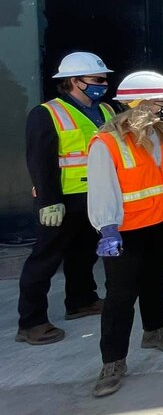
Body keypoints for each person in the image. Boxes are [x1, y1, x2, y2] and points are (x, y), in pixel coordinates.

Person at [87, 71, 163, 398]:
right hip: (125, 230)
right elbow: (102, 189)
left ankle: (155, 330)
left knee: (155, 278)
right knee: (120, 294)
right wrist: (107, 228)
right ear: (136, 104)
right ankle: (112, 361)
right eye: (159, 102)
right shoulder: (107, 142)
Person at [17, 52, 114, 345]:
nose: (103, 84)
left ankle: (81, 300)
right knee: (45, 259)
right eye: (97, 80)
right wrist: (49, 200)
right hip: (62, 200)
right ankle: (31, 323)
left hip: (94, 197)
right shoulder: (47, 113)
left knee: (83, 254)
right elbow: (39, 161)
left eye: (104, 79)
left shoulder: (107, 111)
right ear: (75, 81)